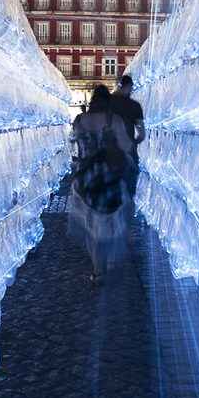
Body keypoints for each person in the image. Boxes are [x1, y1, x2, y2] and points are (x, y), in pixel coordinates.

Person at [68, 85, 135, 281]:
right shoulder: (113, 120)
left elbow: (73, 145)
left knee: (91, 223)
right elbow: (126, 146)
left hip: (86, 177)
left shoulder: (80, 120)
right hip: (110, 176)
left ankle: (98, 269)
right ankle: (109, 259)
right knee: (111, 219)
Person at [109, 75, 144, 196]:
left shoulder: (107, 103)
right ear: (129, 86)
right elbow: (141, 134)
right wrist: (133, 142)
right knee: (129, 190)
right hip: (128, 153)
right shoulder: (135, 106)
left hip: (108, 153)